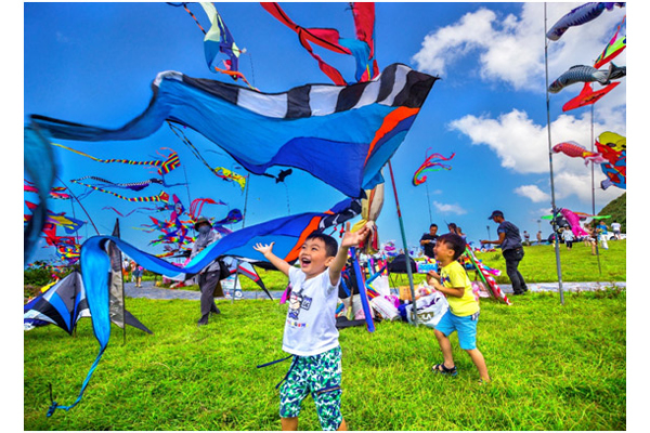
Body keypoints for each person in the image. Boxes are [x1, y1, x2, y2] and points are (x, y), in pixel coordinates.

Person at [253, 223, 369, 431]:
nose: (305, 252)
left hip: (323, 357)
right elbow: (284, 266)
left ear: (328, 260)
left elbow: (337, 268)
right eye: (304, 247)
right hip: (299, 357)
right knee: (287, 403)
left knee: (329, 414)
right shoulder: (298, 276)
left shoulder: (327, 280)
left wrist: (343, 248)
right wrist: (269, 254)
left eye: (314, 249)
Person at [426, 233, 490, 384]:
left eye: (438, 246)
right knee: (439, 332)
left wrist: (438, 286)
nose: (434, 248)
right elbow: (447, 281)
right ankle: (449, 366)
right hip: (454, 311)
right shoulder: (446, 267)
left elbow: (459, 292)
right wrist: (436, 276)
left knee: (469, 347)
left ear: (450, 252)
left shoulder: (455, 269)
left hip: (465, 313)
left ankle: (485, 378)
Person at [481, 210, 528, 295]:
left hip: (511, 251)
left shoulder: (502, 227)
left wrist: (487, 241)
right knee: (514, 270)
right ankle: (524, 287)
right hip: (519, 249)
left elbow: (500, 241)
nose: (494, 220)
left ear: (498, 216)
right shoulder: (511, 225)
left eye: (494, 218)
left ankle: (518, 291)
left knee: (511, 272)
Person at [191, 216, 223, 326]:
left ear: (208, 225)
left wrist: (202, 251)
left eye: (204, 224)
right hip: (201, 270)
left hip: (213, 268)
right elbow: (193, 255)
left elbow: (213, 251)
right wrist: (199, 253)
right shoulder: (197, 240)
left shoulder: (216, 236)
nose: (202, 227)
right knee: (204, 290)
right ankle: (214, 309)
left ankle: (204, 317)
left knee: (206, 292)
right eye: (199, 225)